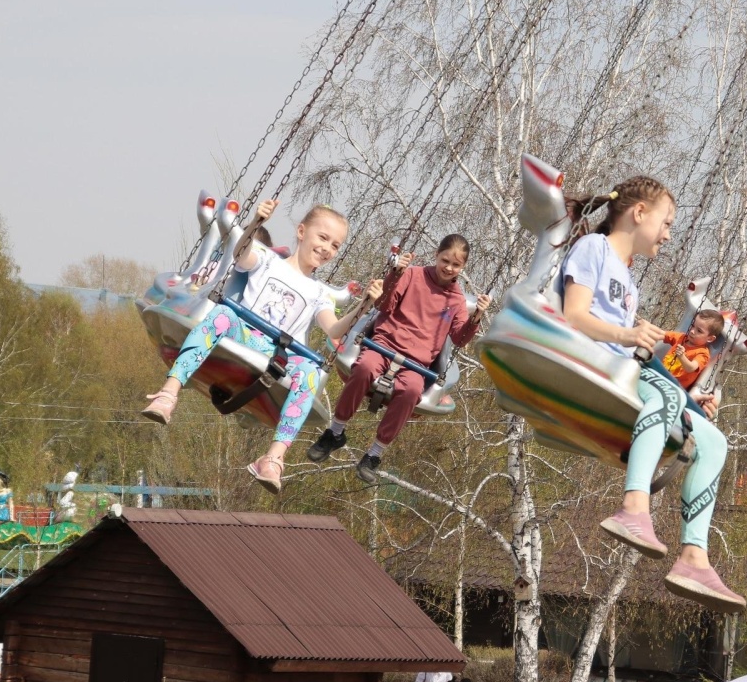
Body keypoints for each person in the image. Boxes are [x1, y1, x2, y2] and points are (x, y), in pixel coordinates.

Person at [560, 177, 741, 612]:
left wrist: (693, 402)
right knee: (662, 395)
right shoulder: (594, 250)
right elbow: (573, 315)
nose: (668, 233)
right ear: (639, 213)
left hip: (629, 369)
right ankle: (633, 507)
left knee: (714, 441)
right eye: (666, 222)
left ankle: (694, 556)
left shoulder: (629, 279)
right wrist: (629, 333)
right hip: (597, 364)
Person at [140, 200, 374, 493]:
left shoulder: (319, 293)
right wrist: (255, 223)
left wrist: (362, 308)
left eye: (336, 245)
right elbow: (240, 254)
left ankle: (274, 458)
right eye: (323, 238)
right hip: (243, 336)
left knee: (312, 372)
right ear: (302, 232)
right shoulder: (267, 260)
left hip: (277, 357)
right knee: (222, 314)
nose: (328, 248)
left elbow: (334, 328)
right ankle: (168, 393)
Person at [308, 236, 492, 481]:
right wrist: (395, 274)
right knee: (363, 367)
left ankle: (374, 453)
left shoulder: (456, 301)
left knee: (411, 391)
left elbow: (459, 339)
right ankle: (335, 432)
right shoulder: (413, 275)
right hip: (384, 343)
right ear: (436, 255)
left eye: (456, 265)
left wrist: (476, 317)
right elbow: (384, 306)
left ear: (463, 268)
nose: (448, 268)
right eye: (445, 260)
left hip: (417, 363)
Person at [659, 309, 725, 390]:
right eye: (693, 325)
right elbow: (662, 334)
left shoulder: (703, 353)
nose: (692, 331)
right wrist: (647, 328)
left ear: (710, 338)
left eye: (699, 331)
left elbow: (691, 368)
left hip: (674, 387)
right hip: (659, 374)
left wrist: (682, 356)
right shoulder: (682, 338)